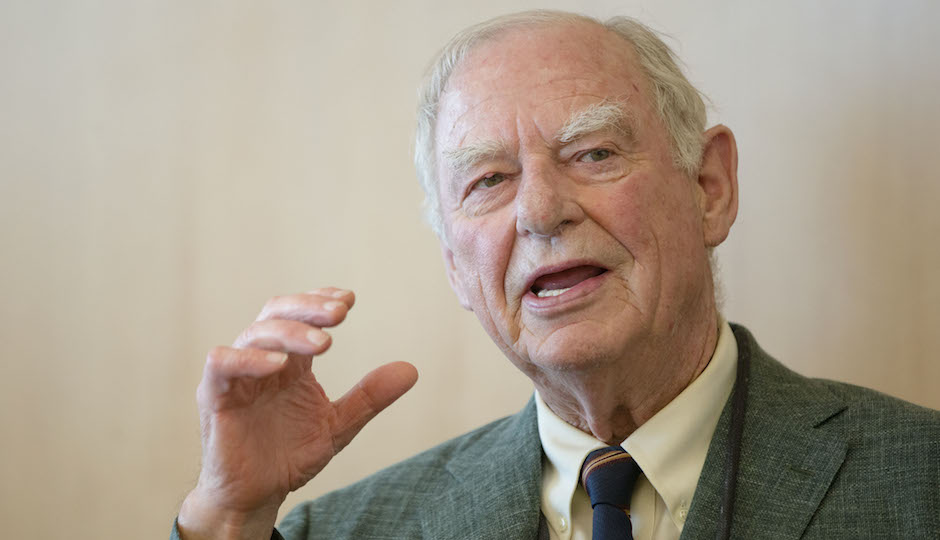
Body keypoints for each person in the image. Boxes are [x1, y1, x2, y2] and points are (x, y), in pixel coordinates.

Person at [173, 10, 940, 540]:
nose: (541, 210)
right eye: (488, 181)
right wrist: (231, 520)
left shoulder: (920, 483)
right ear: (455, 267)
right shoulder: (331, 531)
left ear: (710, 189)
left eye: (593, 153)